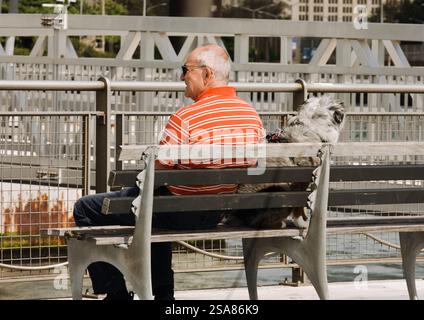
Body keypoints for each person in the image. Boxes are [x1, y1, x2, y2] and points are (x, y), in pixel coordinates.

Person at [73, 44, 264, 300]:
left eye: (186, 70)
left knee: (87, 208)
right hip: (218, 214)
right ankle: (162, 295)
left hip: (177, 213)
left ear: (206, 74)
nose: (182, 76)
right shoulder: (251, 116)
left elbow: (156, 172)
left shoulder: (186, 117)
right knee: (157, 206)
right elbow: (254, 167)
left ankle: (116, 295)